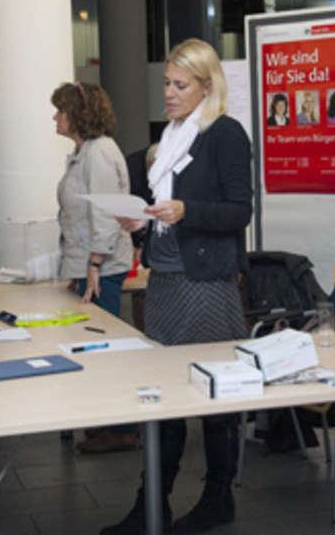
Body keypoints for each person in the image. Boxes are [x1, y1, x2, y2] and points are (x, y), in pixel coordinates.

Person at [109, 38, 252, 535]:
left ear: (207, 87)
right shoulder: (170, 138)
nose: (168, 93)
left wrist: (187, 211)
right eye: (167, 84)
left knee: (212, 398)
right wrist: (143, 224)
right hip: (166, 282)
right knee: (164, 396)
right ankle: (153, 502)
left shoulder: (223, 134)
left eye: (180, 85)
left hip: (205, 285)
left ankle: (217, 498)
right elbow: (165, 213)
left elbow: (240, 211)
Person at [51, 81, 137, 454]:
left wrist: (94, 264)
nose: (55, 117)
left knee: (105, 347)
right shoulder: (83, 152)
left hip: (101, 267)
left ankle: (122, 428)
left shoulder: (99, 152)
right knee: (93, 346)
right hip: (87, 264)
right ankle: (107, 421)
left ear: (77, 114)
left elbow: (105, 213)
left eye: (60, 110)